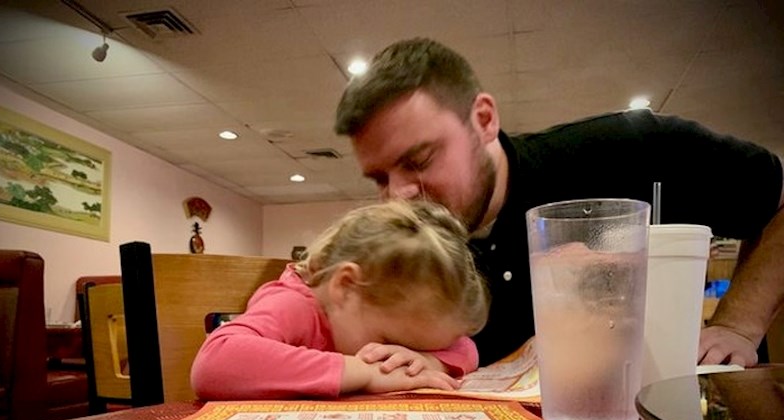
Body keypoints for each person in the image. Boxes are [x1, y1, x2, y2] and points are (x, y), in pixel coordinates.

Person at [334, 37, 784, 368]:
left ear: (484, 120)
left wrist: (739, 325)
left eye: (419, 160)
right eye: (378, 178)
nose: (397, 196)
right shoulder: (411, 254)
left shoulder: (630, 148)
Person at [190, 200, 489, 400]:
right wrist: (365, 372)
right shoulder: (294, 304)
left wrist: (428, 361)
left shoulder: (364, 312)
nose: (397, 357)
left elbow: (467, 348)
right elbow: (214, 363)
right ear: (346, 287)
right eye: (391, 341)